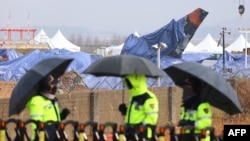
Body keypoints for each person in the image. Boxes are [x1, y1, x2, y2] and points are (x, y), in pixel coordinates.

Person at [26, 74, 70, 141]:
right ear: (45, 86)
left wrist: (62, 116)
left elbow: (51, 117)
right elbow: (36, 123)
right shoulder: (37, 101)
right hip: (45, 134)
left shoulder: (51, 99)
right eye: (52, 84)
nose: (54, 86)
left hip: (55, 131)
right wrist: (38, 136)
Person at [118, 74, 159, 141]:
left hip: (143, 133)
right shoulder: (133, 96)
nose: (128, 87)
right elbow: (136, 112)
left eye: (129, 84)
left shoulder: (149, 97)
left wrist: (141, 126)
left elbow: (152, 117)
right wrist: (125, 110)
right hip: (130, 131)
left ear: (136, 83)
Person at [177, 77, 212, 141]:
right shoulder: (186, 105)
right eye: (185, 87)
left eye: (188, 87)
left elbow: (206, 123)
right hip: (187, 137)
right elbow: (185, 121)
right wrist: (182, 122)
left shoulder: (202, 105)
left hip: (200, 137)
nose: (186, 89)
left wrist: (192, 124)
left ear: (195, 88)